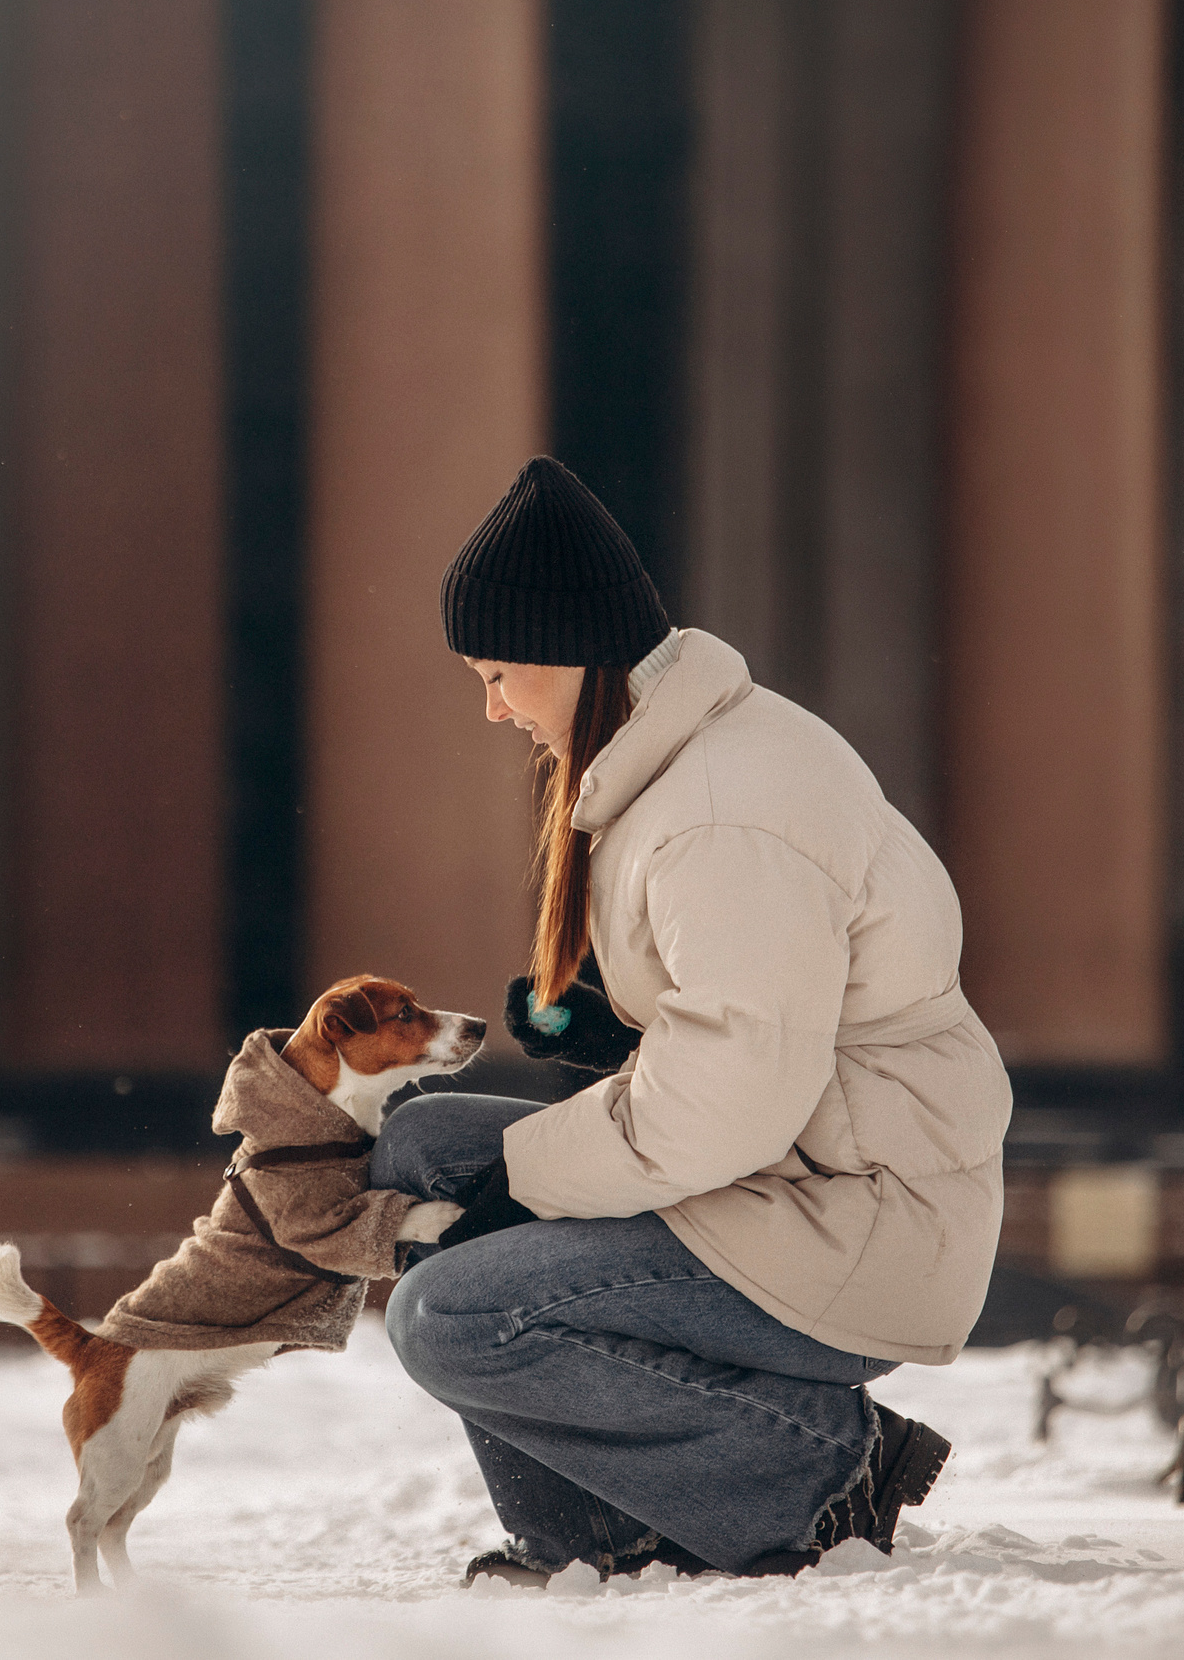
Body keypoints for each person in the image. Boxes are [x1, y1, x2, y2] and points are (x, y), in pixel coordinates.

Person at [374, 455, 1011, 1585]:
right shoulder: (683, 761)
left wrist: (524, 1183)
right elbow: (759, 1041)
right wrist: (614, 1042)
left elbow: (730, 1106)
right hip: (790, 1170)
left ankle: (820, 1466)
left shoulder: (722, 813)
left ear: (570, 651)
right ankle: (596, 1534)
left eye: (499, 674)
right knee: (419, 1149)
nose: (493, 707)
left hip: (857, 1221)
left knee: (448, 1317)